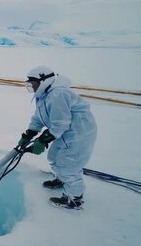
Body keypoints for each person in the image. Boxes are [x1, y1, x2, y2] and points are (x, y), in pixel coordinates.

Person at [17, 66, 97, 210]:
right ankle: (61, 180)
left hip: (78, 133)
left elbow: (61, 123)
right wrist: (29, 133)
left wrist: (42, 140)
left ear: (44, 81)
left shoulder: (58, 94)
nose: (32, 88)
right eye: (30, 85)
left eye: (34, 85)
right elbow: (39, 117)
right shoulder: (44, 95)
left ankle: (74, 198)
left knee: (68, 165)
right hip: (66, 132)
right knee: (54, 156)